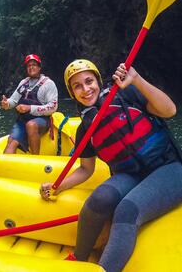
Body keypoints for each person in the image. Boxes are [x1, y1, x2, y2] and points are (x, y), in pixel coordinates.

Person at [40, 59, 182, 272]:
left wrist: (136, 80)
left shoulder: (126, 95)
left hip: (168, 167)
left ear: (98, 81)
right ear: (72, 92)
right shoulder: (85, 129)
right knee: (99, 199)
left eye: (89, 81)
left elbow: (170, 110)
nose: (86, 89)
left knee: (127, 210)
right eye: (77, 86)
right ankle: (80, 257)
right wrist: (58, 186)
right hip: (130, 175)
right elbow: (85, 169)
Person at [0, 54, 58, 154]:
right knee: (11, 143)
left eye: (34, 64)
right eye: (29, 65)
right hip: (22, 120)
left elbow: (53, 107)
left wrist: (30, 108)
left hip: (42, 121)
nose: (31, 67)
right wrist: (7, 104)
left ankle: (35, 158)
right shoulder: (23, 82)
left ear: (39, 67)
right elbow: (13, 100)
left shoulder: (48, 83)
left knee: (31, 125)